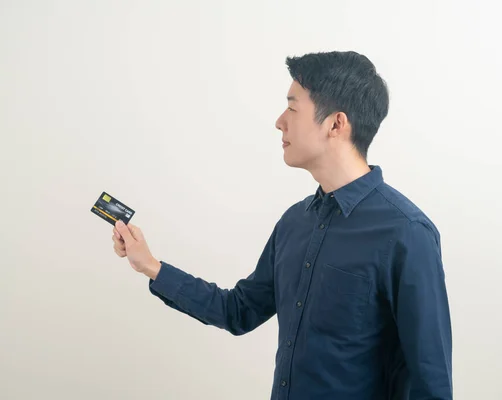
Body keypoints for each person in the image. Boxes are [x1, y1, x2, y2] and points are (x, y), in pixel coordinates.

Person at [112, 50, 452, 400]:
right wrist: (151, 267)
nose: (279, 121)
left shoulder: (406, 233)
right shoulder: (294, 222)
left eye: (292, 108)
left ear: (336, 123)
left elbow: (431, 382)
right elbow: (238, 311)